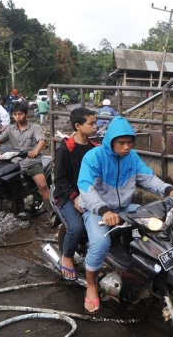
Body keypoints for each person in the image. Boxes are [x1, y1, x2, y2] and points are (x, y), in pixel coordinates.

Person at [77, 116, 173, 314]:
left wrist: (168, 190)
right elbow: (86, 188)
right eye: (121, 143)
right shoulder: (94, 157)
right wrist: (103, 210)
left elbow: (148, 178)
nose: (126, 147)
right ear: (110, 141)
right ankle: (91, 286)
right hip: (97, 211)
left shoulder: (132, 157)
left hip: (124, 208)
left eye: (129, 142)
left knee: (157, 224)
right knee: (100, 244)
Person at [53, 108, 98, 280]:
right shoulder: (65, 149)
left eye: (95, 123)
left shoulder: (95, 148)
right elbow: (60, 180)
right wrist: (75, 197)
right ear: (78, 126)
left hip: (90, 194)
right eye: (91, 123)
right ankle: (67, 255)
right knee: (77, 227)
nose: (95, 127)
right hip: (68, 196)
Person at [0, 101, 51, 209]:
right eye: (15, 114)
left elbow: (41, 141)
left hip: (31, 161)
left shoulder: (35, 128)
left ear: (26, 114)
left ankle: (50, 210)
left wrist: (35, 151)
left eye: (20, 114)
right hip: (13, 160)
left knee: (42, 186)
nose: (17, 117)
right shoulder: (10, 129)